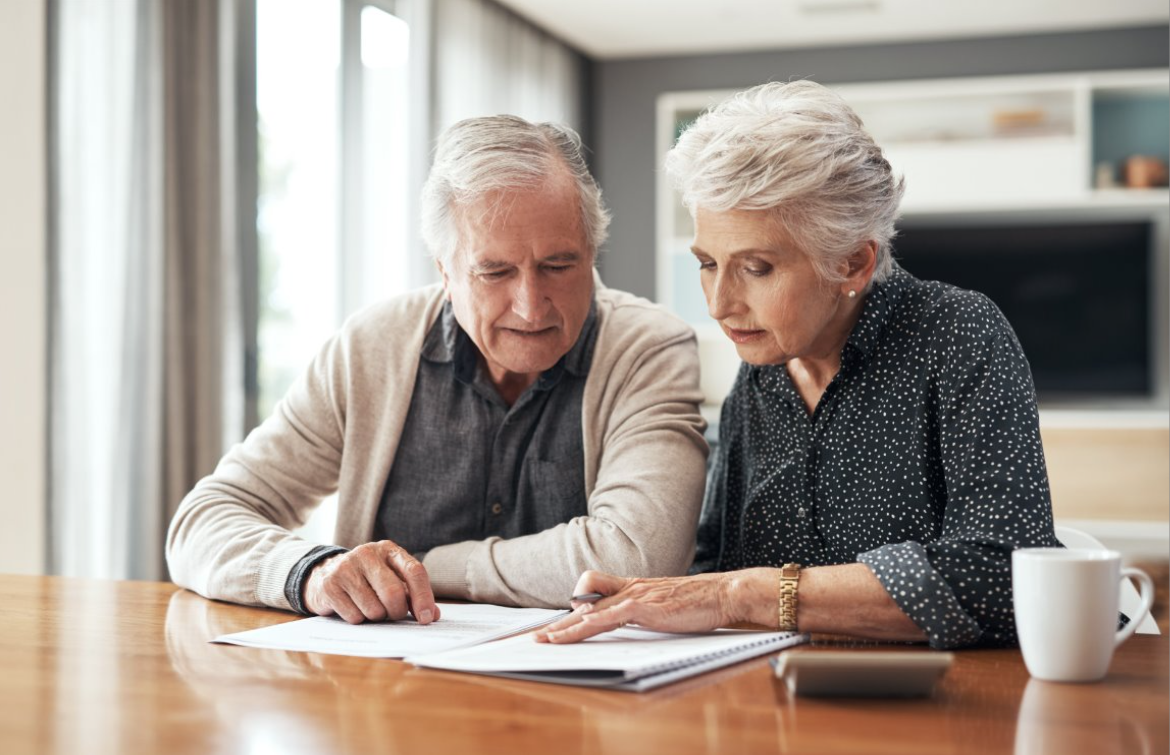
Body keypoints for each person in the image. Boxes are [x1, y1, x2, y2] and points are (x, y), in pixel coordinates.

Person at [536, 81, 1061, 650]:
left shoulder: (958, 335)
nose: (719, 304)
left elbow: (1001, 575)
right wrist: (646, 600)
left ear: (854, 263)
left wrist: (742, 596)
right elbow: (721, 560)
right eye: (708, 263)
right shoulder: (759, 372)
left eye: (756, 268)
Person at [166, 115, 708, 625]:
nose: (531, 305)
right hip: (396, 698)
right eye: (495, 272)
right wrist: (314, 572)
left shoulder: (647, 348)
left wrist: (430, 567)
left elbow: (638, 555)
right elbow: (205, 520)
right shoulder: (370, 349)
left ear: (592, 252)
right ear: (445, 271)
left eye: (558, 266)